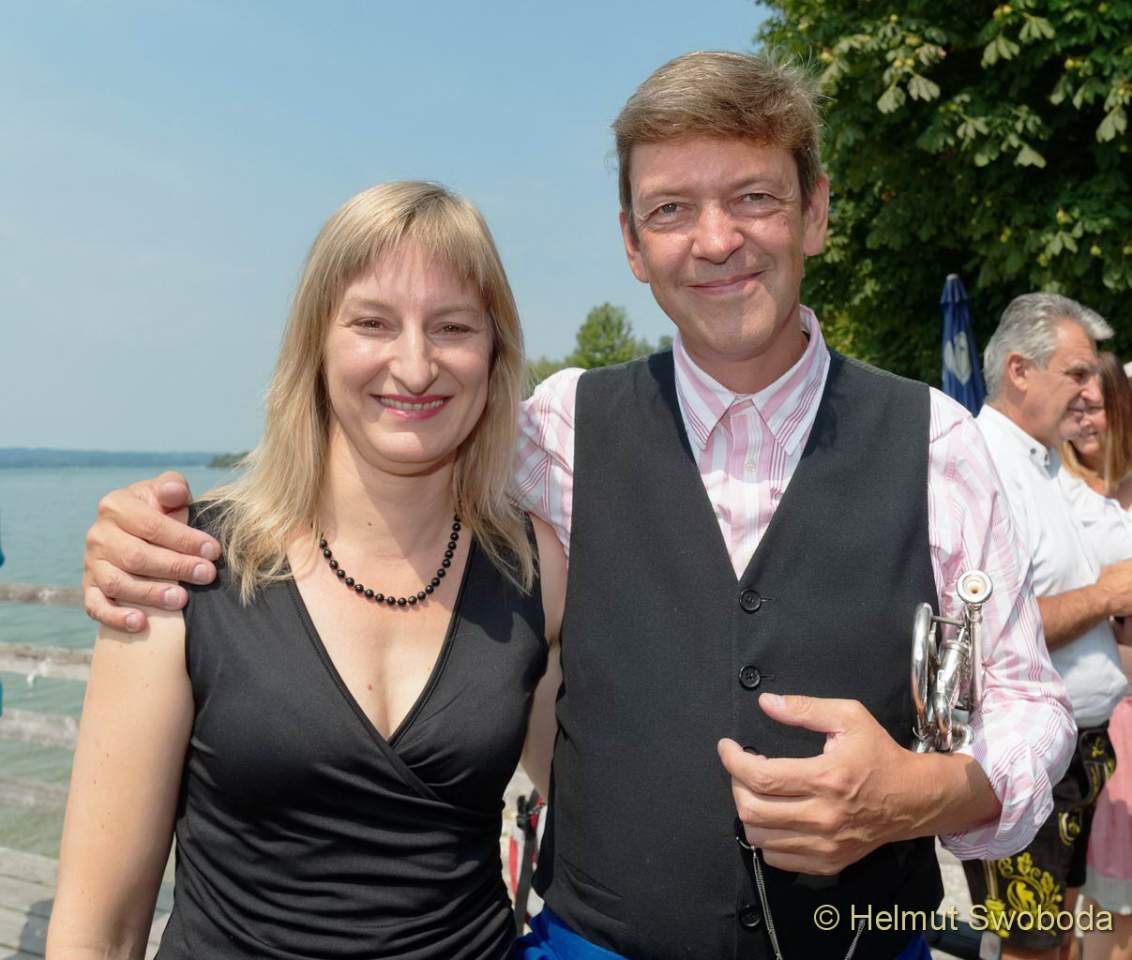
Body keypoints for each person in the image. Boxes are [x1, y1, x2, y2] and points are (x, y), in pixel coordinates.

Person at [80, 53, 1075, 960]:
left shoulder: (938, 443)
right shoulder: (554, 434)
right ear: (632, 244)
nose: (717, 239)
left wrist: (926, 794)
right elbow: (378, 477)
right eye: (672, 208)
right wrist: (142, 529)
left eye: (754, 197)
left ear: (815, 213)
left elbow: (1029, 702)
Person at [46, 181, 567, 960]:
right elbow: (100, 928)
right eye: (372, 322)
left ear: (494, 355)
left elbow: (607, 813)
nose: (415, 364)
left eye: (453, 326)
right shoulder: (181, 566)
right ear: (315, 344)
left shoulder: (536, 566)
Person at [969, 296, 1132, 960]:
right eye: (1078, 373)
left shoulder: (1039, 464)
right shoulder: (985, 466)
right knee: (1029, 947)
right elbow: (989, 632)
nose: (1093, 391)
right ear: (1020, 370)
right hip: (1024, 762)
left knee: (1055, 939)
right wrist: (1104, 596)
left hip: (1073, 755)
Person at [1059, 351, 1132, 960]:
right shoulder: (1051, 495)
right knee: (1076, 906)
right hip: (1088, 716)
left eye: (1095, 407)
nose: (1083, 420)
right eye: (1072, 408)